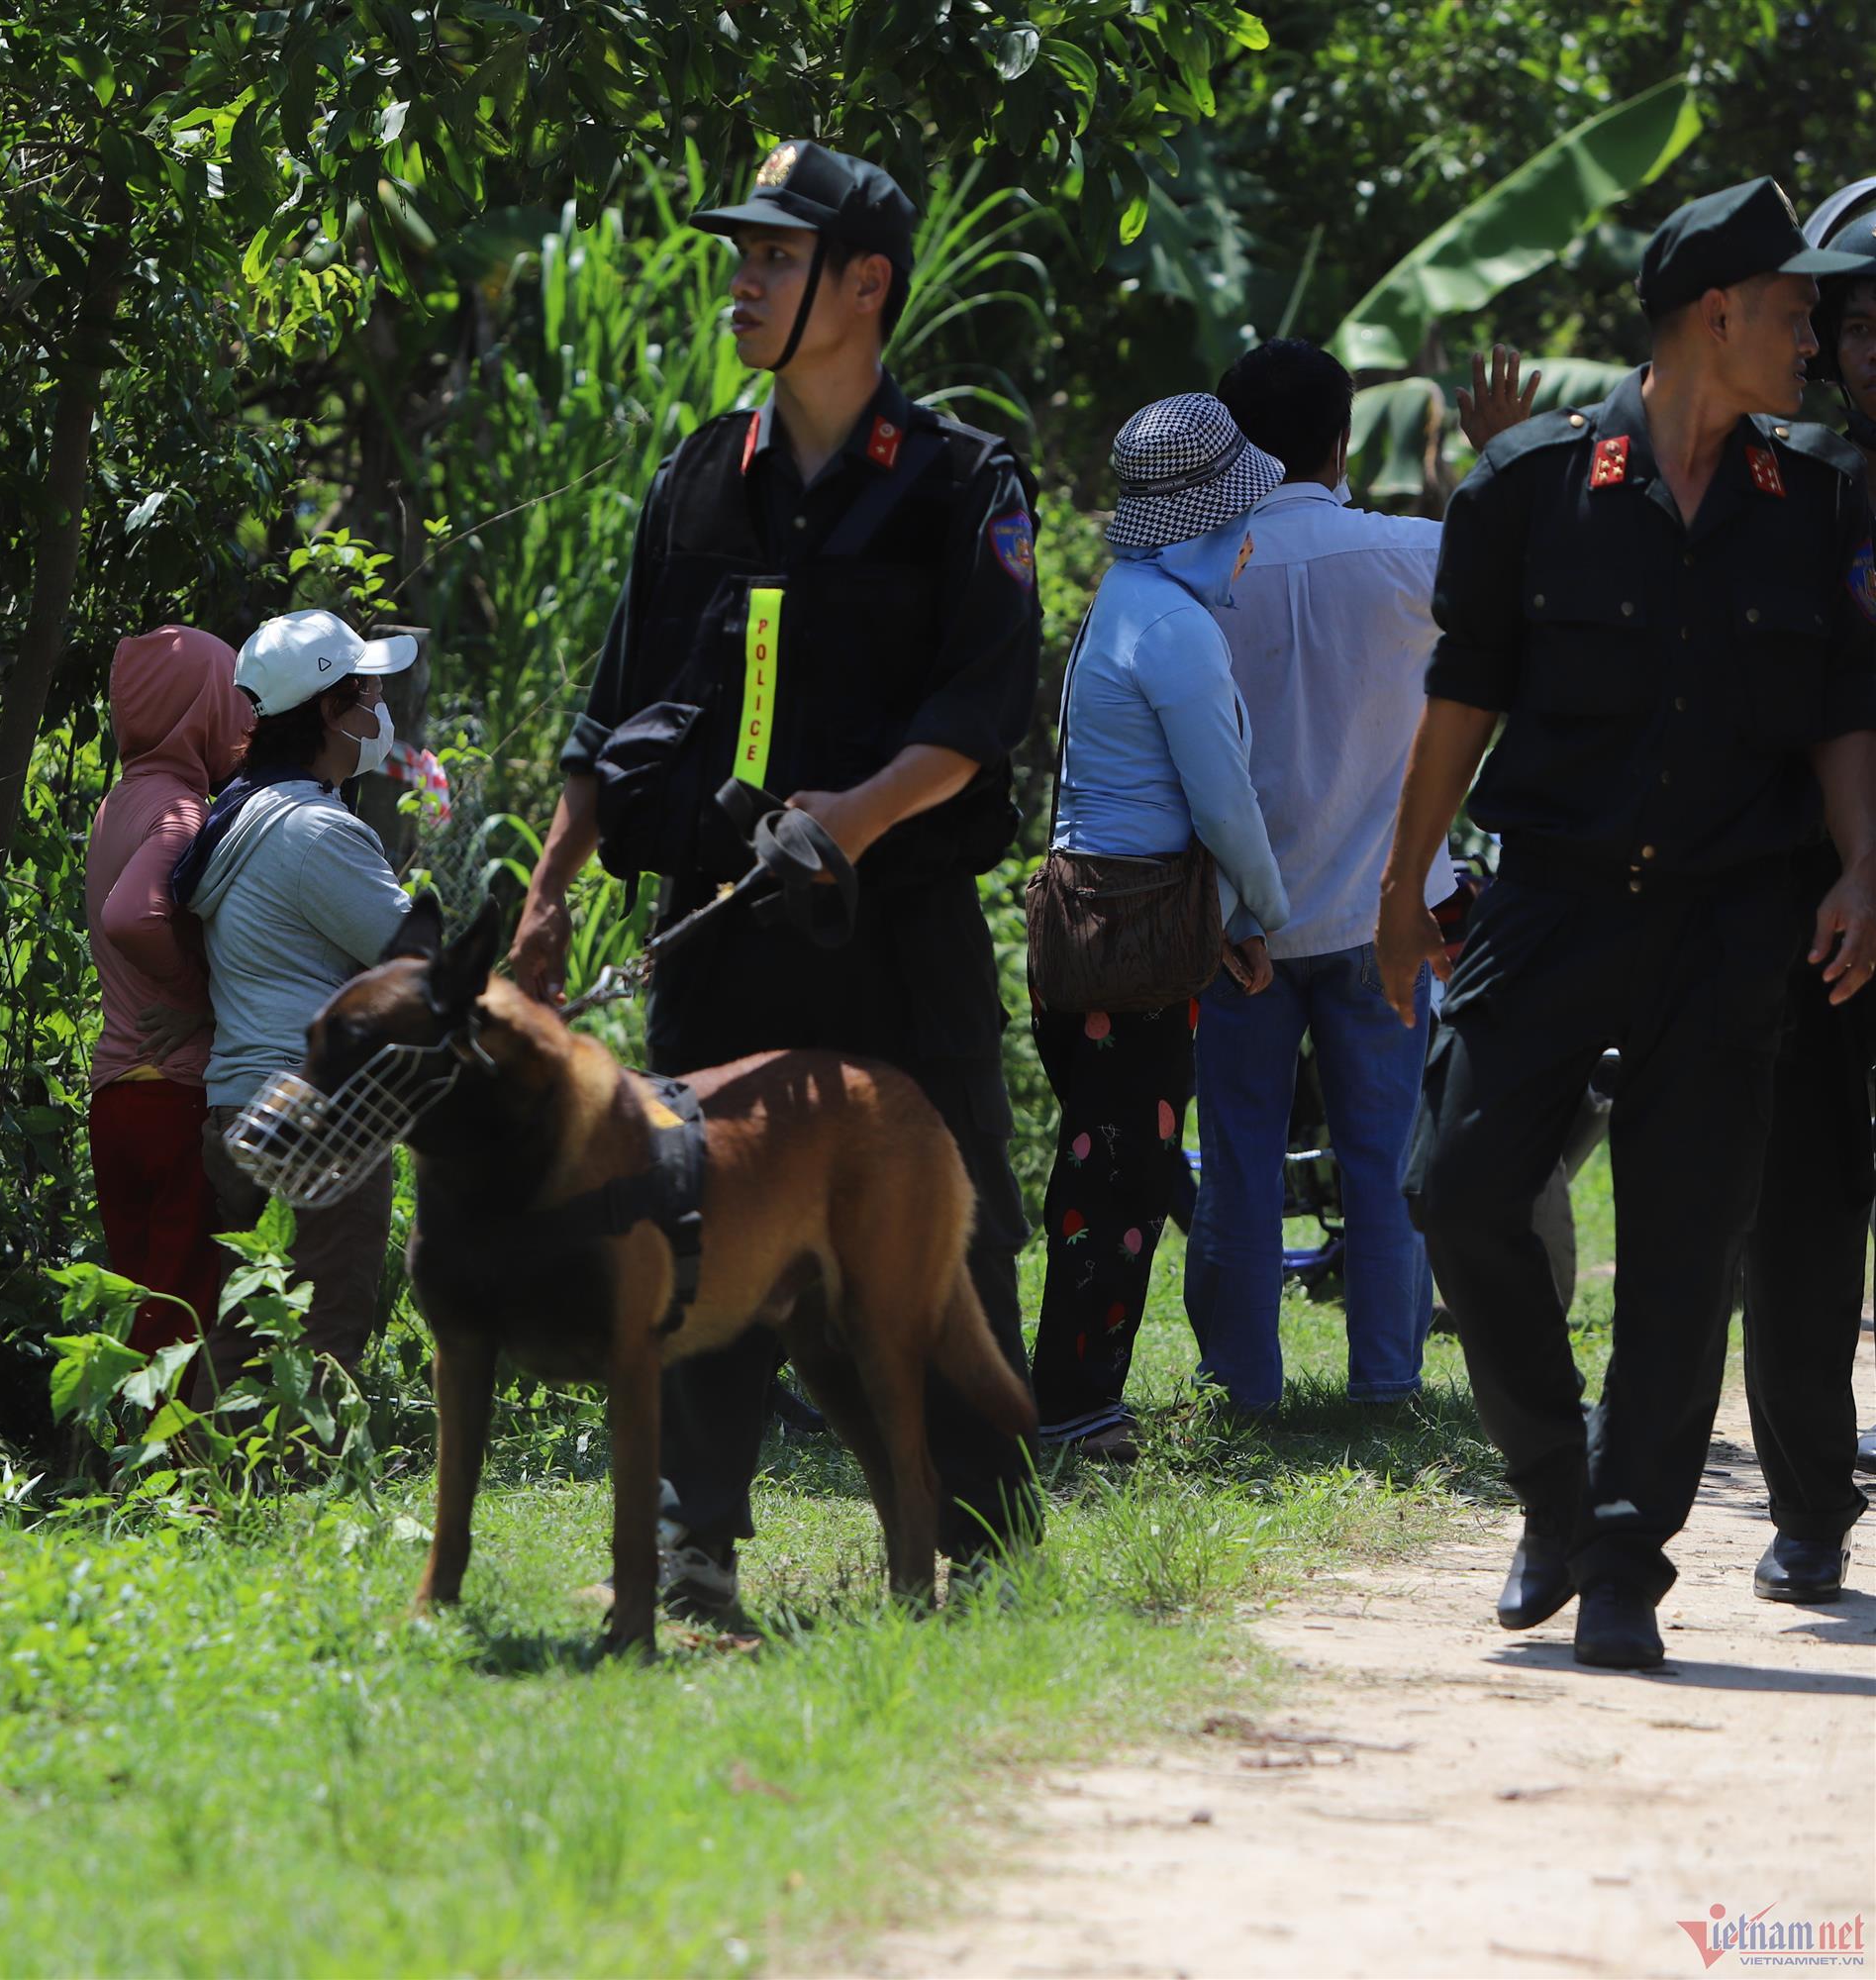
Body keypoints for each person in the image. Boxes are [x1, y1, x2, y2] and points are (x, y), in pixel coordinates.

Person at [503, 140, 1044, 1615]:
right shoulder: (700, 476)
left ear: (864, 286)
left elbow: (984, 711)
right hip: (719, 941)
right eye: (740, 254)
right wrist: (551, 894)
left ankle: (984, 1547)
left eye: (777, 257)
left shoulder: (958, 484)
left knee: (947, 1229)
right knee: (689, 1232)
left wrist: (855, 820)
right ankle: (695, 1554)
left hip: (894, 939)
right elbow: (605, 714)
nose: (742, 280)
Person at [1376, 180, 1876, 1669]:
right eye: (1795, 311)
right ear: (1713, 316)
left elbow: (1845, 707)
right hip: (1555, 898)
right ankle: (1553, 1493)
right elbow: (1458, 703)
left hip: (1736, 916)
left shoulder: (1817, 505)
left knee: (1681, 1247)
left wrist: (1862, 868)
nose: (1817, 336)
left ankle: (1623, 1564)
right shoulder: (1530, 489)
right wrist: (1400, 890)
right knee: (1455, 1187)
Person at [1187, 340, 1520, 1416]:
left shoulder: (1195, 571)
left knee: (1238, 1159)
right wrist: (1501, 455)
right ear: (1342, 439)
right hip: (1386, 917)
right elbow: (1521, 577)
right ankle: (1388, 1380)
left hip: (1237, 925)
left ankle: (1241, 1383)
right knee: (1383, 1158)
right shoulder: (1402, 555)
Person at [1030, 393, 1290, 1458]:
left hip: (1092, 924)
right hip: (1136, 935)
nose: (1246, 540)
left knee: (1108, 1161)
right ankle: (1077, 1405)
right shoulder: (1176, 626)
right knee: (1118, 1175)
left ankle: (1069, 1392)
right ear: (1199, 519)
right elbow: (1222, 800)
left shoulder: (1124, 599)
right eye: (1236, 517)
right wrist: (1263, 908)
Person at [1736, 178, 1876, 1599]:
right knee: (1803, 1210)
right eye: (1859, 324)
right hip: (1815, 902)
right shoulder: (1788, 489)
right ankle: (1808, 1508)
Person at [179, 608, 419, 1387]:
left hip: (239, 1106)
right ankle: (297, 1490)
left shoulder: (237, 815)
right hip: (323, 1112)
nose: (381, 714)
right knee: (323, 1332)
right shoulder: (317, 830)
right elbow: (420, 962)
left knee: (245, 1328)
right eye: (369, 696)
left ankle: (205, 1492)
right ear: (327, 709)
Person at [85, 626, 252, 1354]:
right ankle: (179, 1466)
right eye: (231, 702)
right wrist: (199, 996)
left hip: (114, 1096)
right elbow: (132, 917)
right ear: (202, 711)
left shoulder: (117, 803)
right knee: (182, 1316)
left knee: (143, 1311)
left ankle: (134, 1460)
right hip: (172, 1094)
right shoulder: (181, 812)